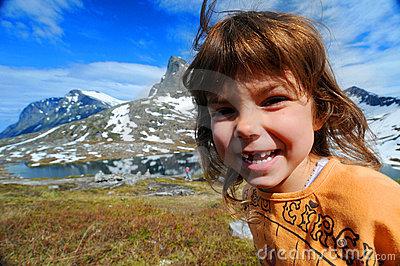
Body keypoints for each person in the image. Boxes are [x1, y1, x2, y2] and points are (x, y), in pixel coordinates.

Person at [183, 1, 400, 265]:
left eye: (273, 100)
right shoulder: (254, 196)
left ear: (319, 112)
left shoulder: (373, 196)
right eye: (225, 110)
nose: (245, 127)